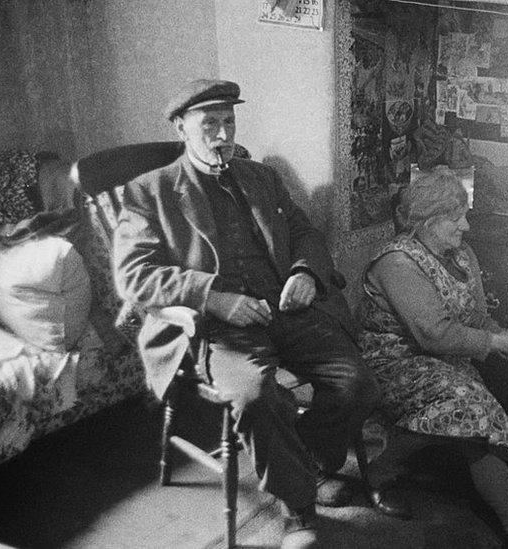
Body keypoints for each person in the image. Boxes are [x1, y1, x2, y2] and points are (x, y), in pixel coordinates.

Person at [111, 79, 380, 543]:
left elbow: (304, 233)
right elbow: (134, 276)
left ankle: (308, 465)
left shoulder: (259, 177)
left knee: (356, 382)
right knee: (257, 396)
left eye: (228, 122)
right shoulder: (147, 192)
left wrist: (305, 274)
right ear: (181, 128)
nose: (222, 135)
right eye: (209, 124)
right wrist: (215, 299)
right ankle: (299, 512)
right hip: (213, 328)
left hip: (284, 310)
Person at [357, 170, 508, 549]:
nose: (466, 225)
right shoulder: (397, 263)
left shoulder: (460, 254)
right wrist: (496, 341)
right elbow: (435, 333)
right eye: (456, 217)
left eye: (465, 214)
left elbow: (474, 317)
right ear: (429, 221)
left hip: (441, 360)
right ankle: (382, 469)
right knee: (472, 405)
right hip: (391, 362)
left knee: (478, 414)